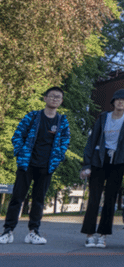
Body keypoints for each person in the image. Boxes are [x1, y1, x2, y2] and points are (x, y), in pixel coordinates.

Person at [0, 87, 70, 245]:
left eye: (58, 97)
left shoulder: (62, 121)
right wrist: (20, 152)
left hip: (46, 166)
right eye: (51, 96)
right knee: (17, 198)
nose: (54, 99)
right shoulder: (32, 116)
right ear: (45, 98)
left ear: (61, 101)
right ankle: (8, 231)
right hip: (27, 164)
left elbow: (65, 141)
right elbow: (18, 135)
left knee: (39, 200)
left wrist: (58, 157)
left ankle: (33, 232)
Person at [80, 88, 124, 248]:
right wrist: (87, 164)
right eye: (118, 99)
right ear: (113, 102)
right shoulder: (103, 117)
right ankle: (89, 234)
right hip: (99, 160)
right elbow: (92, 140)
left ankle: (103, 235)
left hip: (118, 162)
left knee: (110, 200)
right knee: (94, 199)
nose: (120, 102)